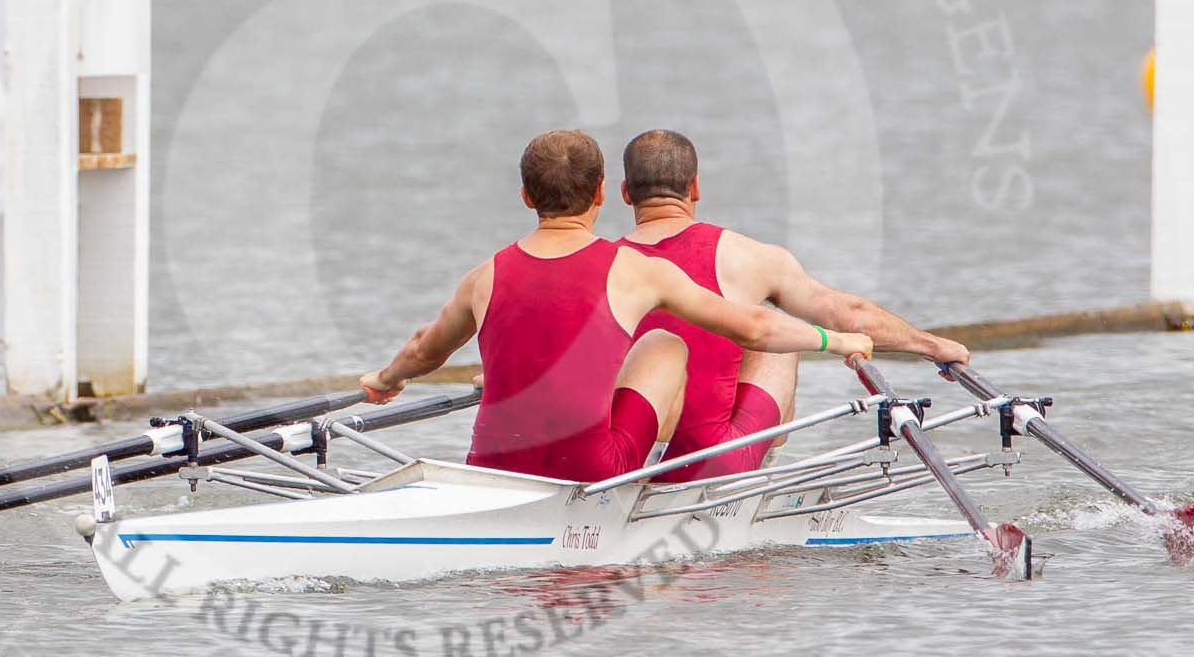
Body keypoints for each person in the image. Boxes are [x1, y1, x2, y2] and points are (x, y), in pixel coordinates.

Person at [359, 129, 873, 483]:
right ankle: (672, 481)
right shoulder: (633, 268)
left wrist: (387, 380)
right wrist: (837, 339)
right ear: (604, 193)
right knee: (664, 343)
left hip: (493, 466)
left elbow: (425, 350)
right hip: (594, 471)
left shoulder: (484, 276)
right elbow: (755, 330)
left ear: (524, 196)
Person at [617, 129, 970, 483]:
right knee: (777, 338)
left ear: (625, 193)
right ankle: (754, 486)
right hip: (712, 463)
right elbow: (847, 315)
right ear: (695, 187)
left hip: (627, 459)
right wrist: (932, 346)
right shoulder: (748, 257)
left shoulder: (606, 261)